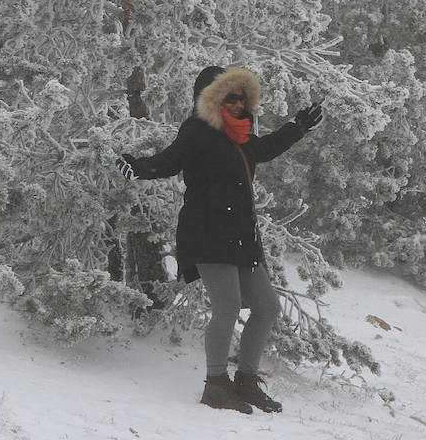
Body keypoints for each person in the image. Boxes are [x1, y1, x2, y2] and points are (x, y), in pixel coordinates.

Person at [115, 65, 323, 414]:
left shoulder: (241, 136)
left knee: (267, 307)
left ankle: (245, 380)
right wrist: (139, 168)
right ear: (212, 98)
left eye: (243, 98)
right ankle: (215, 385)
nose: (240, 104)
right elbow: (171, 160)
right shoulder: (198, 130)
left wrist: (297, 127)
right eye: (231, 97)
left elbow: (266, 148)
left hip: (241, 236)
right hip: (207, 232)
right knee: (226, 307)